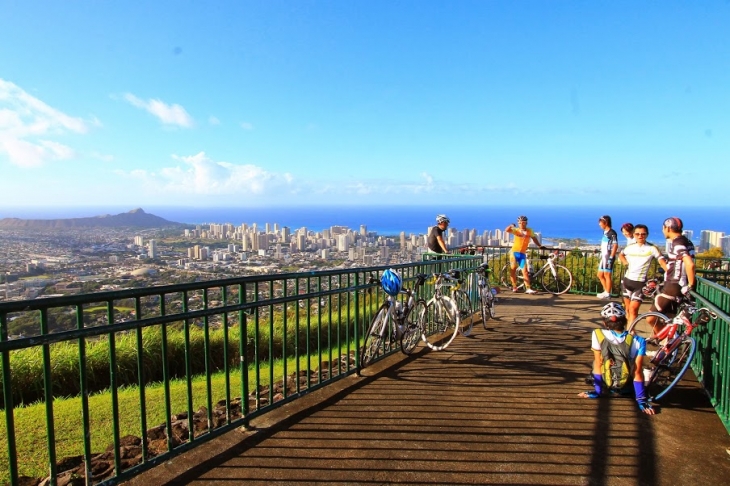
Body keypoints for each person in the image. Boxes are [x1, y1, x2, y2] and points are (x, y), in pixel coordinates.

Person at [578, 302, 655, 415]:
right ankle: (637, 395)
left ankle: (600, 389)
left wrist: (597, 392)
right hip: (626, 384)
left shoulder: (597, 334)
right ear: (625, 320)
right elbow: (637, 372)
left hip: (606, 381)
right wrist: (641, 400)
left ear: (605, 323)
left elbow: (599, 364)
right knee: (637, 368)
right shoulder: (639, 340)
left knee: (596, 362)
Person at [618, 224, 668, 326]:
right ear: (634, 235)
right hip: (627, 281)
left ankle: (630, 333)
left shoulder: (652, 248)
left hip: (639, 284)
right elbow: (621, 254)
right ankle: (630, 332)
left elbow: (662, 262)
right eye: (637, 234)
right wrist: (625, 263)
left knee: (633, 309)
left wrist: (670, 273)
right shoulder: (629, 247)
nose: (640, 236)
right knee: (627, 310)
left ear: (647, 235)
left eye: (643, 234)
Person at [649, 217, 696, 323]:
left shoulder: (677, 243)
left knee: (650, 318)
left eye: (663, 228)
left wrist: (690, 285)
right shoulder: (687, 241)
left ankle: (661, 340)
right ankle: (668, 340)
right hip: (679, 284)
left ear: (668, 228)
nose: (663, 231)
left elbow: (690, 264)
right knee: (669, 320)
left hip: (673, 284)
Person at [504, 215, 545, 294]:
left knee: (525, 272)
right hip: (514, 253)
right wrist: (511, 225)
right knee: (513, 269)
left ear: (526, 223)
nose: (521, 224)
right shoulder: (516, 230)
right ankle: (514, 286)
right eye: (520, 223)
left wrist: (539, 245)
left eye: (523, 223)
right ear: (518, 223)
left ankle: (528, 288)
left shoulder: (530, 231)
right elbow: (507, 230)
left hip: (522, 254)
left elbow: (534, 238)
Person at [596, 215, 618, 299]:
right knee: (600, 275)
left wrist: (611, 257)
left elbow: (615, 245)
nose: (599, 225)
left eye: (600, 223)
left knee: (607, 275)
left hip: (608, 257)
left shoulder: (612, 233)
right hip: (603, 257)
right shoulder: (604, 232)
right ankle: (606, 291)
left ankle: (608, 293)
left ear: (606, 223)